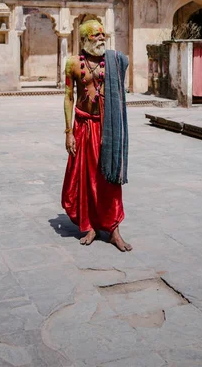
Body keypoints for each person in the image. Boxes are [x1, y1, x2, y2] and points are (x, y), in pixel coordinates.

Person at [61, 19, 132, 252]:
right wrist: (68, 132)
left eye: (103, 34)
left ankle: (113, 230)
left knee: (109, 180)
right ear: (84, 39)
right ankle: (89, 225)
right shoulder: (72, 63)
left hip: (106, 127)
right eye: (96, 35)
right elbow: (69, 97)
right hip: (82, 127)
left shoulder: (111, 61)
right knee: (85, 177)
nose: (102, 38)